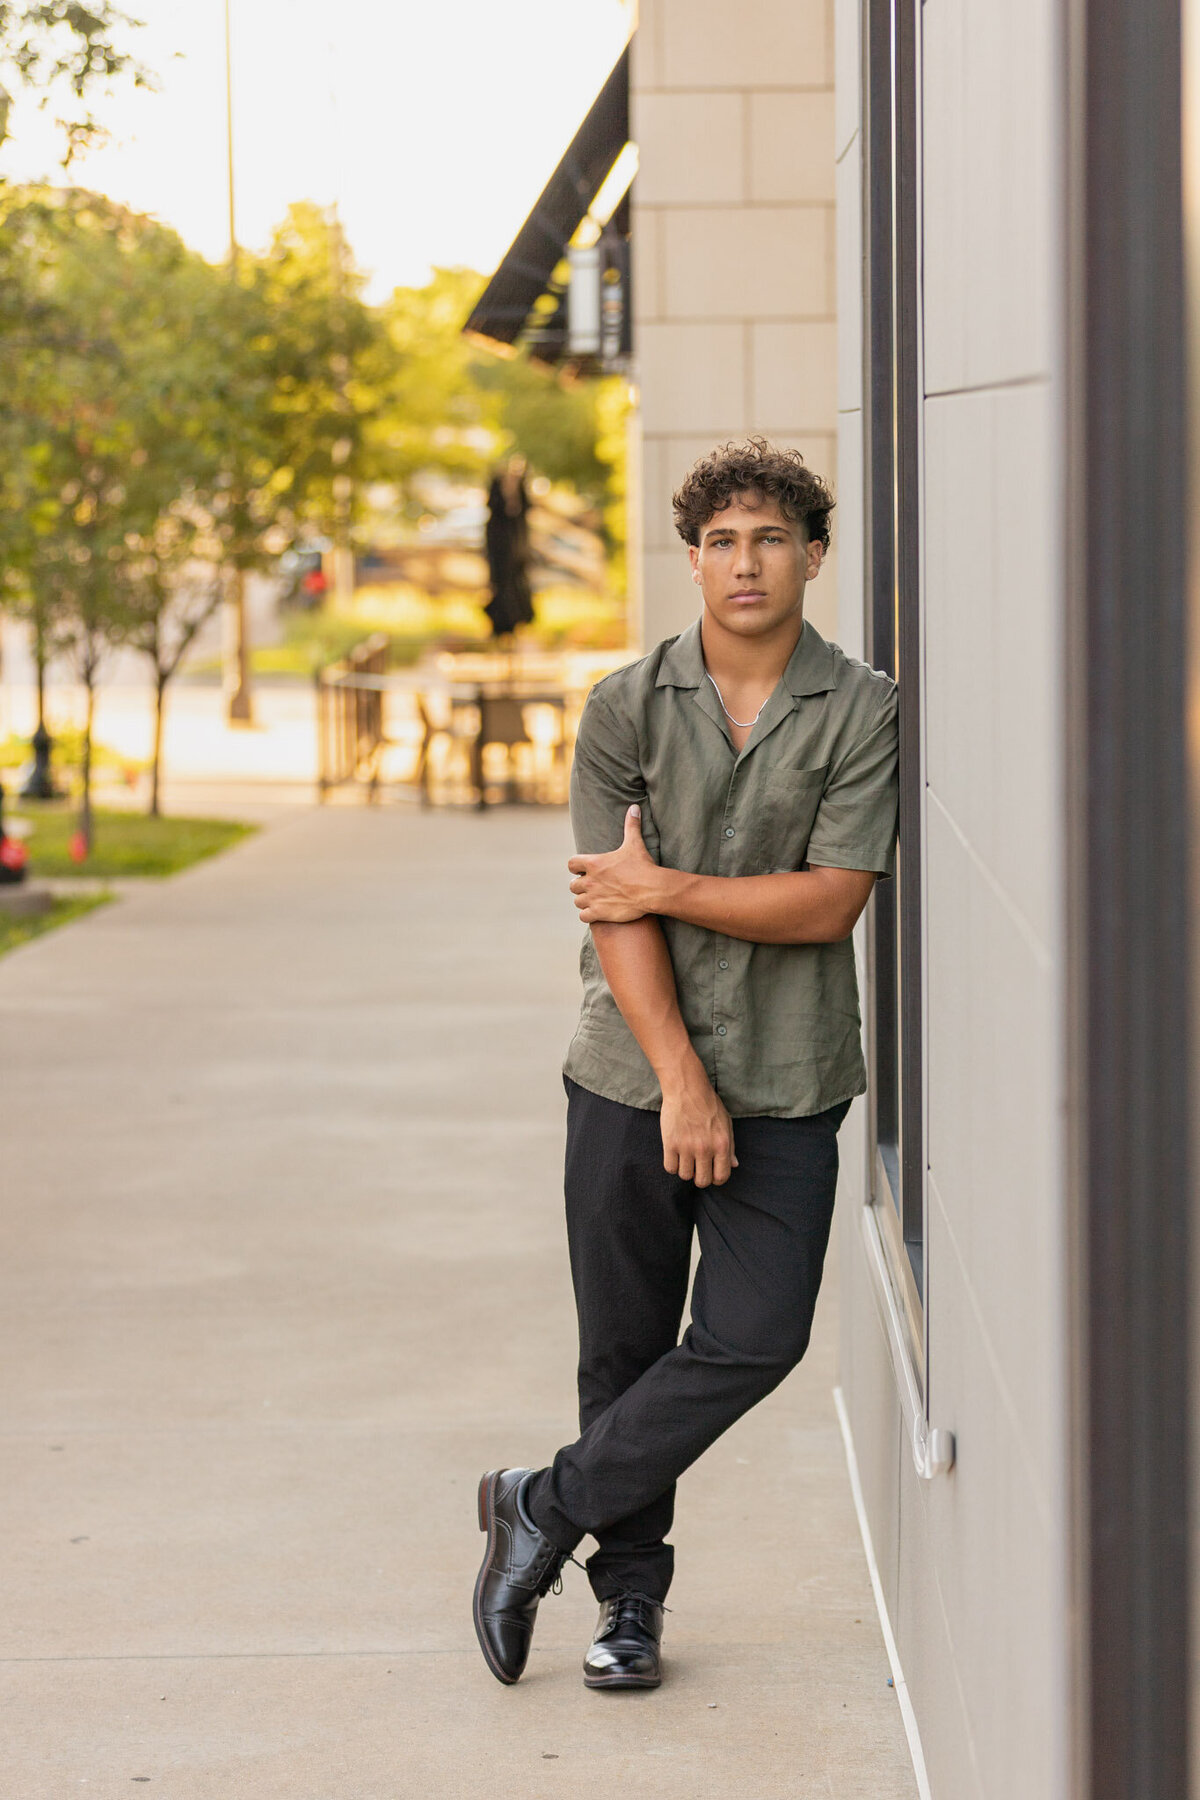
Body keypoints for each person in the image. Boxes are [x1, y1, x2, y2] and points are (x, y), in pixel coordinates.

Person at [472, 437, 899, 1691]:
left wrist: (666, 883)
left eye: (772, 537)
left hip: (790, 1075)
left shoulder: (861, 709)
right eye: (721, 540)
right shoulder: (622, 707)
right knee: (625, 1346)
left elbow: (829, 905)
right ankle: (628, 1612)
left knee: (753, 1338)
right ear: (694, 559)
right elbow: (616, 910)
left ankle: (540, 1504)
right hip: (627, 1072)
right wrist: (681, 1081)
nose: (746, 561)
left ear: (814, 555)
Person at [483, 455, 535, 637]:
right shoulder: (495, 523)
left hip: (516, 563)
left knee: (517, 592)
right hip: (501, 562)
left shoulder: (519, 519)